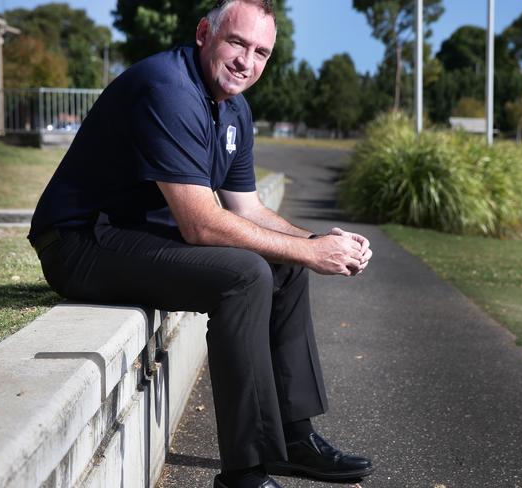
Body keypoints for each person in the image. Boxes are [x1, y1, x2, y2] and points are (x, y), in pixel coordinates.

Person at [28, 1, 374, 486]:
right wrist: (312, 251)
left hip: (135, 233)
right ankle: (245, 471)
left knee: (285, 266)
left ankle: (293, 438)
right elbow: (201, 226)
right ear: (204, 33)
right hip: (79, 242)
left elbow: (247, 210)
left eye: (261, 52)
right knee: (246, 274)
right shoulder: (168, 88)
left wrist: (314, 242)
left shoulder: (234, 107)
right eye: (236, 42)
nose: (246, 62)